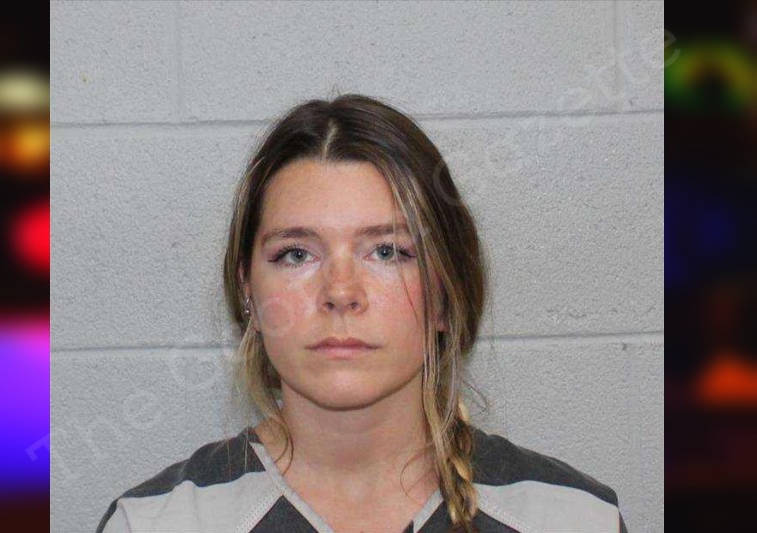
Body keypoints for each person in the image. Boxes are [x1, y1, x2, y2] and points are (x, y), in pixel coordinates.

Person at [96, 94, 628, 533]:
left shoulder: (575, 520)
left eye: (388, 251)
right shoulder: (152, 523)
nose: (341, 292)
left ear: (446, 295)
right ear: (248, 294)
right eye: (296, 254)